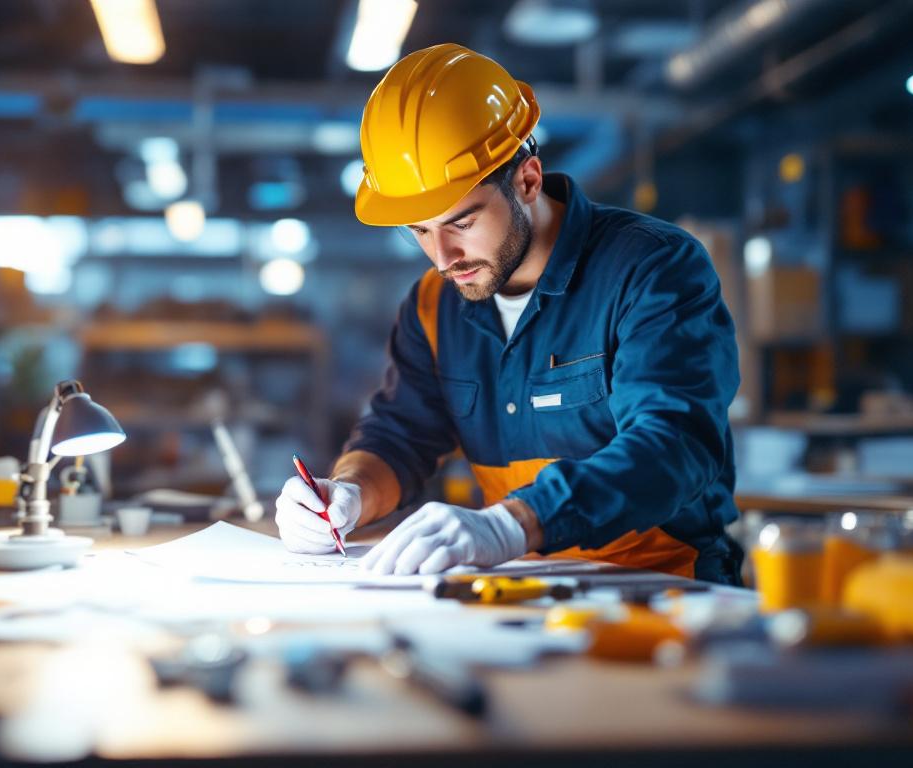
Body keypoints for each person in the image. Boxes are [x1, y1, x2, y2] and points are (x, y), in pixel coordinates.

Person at [274, 43, 743, 584]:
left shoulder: (651, 268)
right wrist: (348, 492)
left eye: (461, 223)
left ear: (527, 180)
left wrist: (513, 524)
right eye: (420, 231)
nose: (442, 258)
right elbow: (400, 436)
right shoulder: (433, 305)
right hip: (516, 587)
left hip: (667, 588)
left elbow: (673, 445)